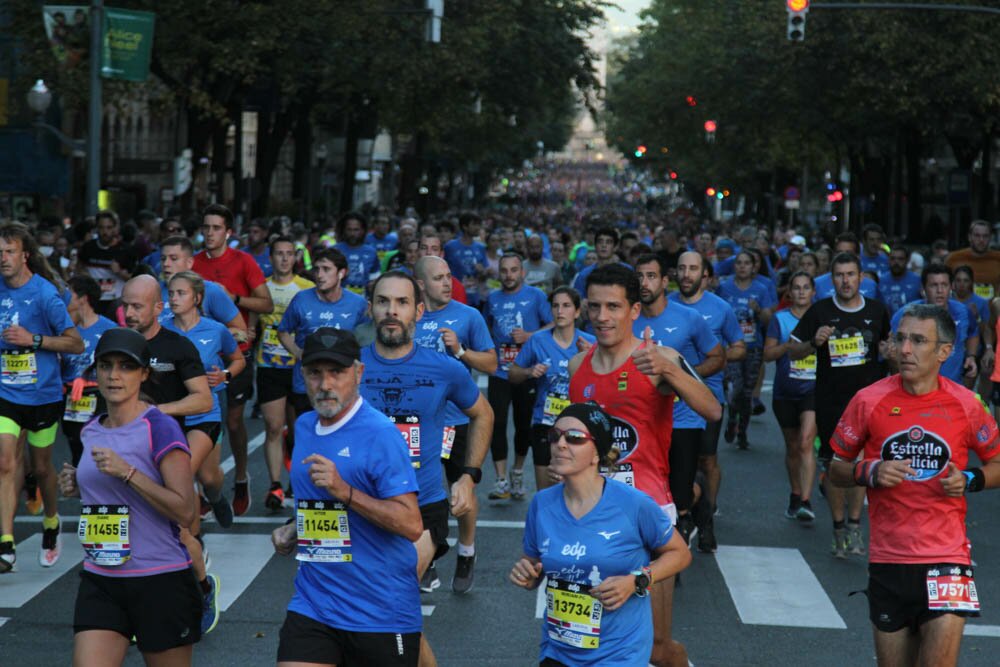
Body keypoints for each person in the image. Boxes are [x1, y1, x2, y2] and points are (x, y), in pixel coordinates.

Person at [829, 303, 1000, 667]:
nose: (905, 349)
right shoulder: (868, 400)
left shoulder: (968, 404)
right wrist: (870, 472)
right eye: (901, 338)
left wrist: (971, 479)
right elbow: (835, 469)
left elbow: (997, 462)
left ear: (944, 352)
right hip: (889, 560)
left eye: (918, 340)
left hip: (948, 557)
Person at [568, 264, 720, 667]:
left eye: (613, 307)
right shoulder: (575, 368)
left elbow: (712, 409)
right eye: (595, 307)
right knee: (590, 636)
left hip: (646, 514)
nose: (602, 317)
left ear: (634, 309)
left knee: (656, 646)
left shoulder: (659, 357)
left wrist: (669, 369)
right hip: (591, 515)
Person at [360, 272, 494, 664]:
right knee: (386, 614)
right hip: (361, 506)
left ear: (418, 311)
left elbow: (483, 414)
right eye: (383, 301)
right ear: (370, 308)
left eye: (401, 303)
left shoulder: (445, 368)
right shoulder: (351, 367)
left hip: (422, 508)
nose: (391, 311)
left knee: (390, 595)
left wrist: (469, 476)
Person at [270, 328, 424, 667]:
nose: (325, 384)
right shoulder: (306, 426)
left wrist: (345, 491)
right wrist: (293, 529)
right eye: (314, 373)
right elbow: (320, 506)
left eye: (336, 372)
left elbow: (412, 524)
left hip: (379, 610)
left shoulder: (381, 434)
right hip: (314, 603)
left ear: (358, 373)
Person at [58, 327, 201, 665]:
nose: (114, 375)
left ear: (144, 374)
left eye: (126, 366)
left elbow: (186, 512)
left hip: (159, 578)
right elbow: (104, 495)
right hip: (101, 578)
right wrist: (77, 483)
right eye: (106, 366)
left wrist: (128, 473)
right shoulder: (91, 429)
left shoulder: (160, 426)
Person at [509, 402, 691, 667]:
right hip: (559, 649)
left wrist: (636, 580)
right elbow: (534, 563)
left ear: (597, 454)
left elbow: (680, 553)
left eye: (574, 438)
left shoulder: (633, 504)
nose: (560, 444)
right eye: (554, 436)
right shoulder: (542, 504)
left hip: (619, 652)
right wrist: (528, 575)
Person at [788, 252, 891, 558]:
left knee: (860, 463)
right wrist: (813, 343)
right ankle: (837, 527)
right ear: (831, 280)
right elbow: (793, 351)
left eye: (850, 274)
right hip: (831, 401)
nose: (845, 281)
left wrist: (889, 351)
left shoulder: (877, 310)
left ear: (861, 278)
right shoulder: (820, 311)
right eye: (839, 275)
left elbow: (890, 349)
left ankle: (855, 525)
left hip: (869, 402)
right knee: (836, 466)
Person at [0, 222, 84, 572]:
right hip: (6, 391)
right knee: (5, 461)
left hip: (43, 393)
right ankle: (5, 542)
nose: (2, 259)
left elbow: (75, 342)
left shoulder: (45, 294)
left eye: (9, 252)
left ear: (26, 255)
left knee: (41, 466)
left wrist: (33, 340)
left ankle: (51, 519)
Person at [412, 255, 497, 593]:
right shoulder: (410, 316)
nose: (447, 283)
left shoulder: (468, 315)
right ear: (421, 285)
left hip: (459, 421)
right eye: (438, 278)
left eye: (449, 276)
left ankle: (466, 549)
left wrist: (461, 352)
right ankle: (427, 560)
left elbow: (491, 363)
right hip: (419, 424)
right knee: (418, 492)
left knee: (462, 490)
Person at [633, 253, 723, 543]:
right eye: (639, 276)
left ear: (664, 281)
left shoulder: (689, 318)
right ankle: (664, 546)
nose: (644, 283)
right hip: (644, 421)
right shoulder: (626, 320)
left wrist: (679, 378)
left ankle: (699, 503)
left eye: (651, 276)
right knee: (647, 488)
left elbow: (717, 357)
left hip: (683, 418)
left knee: (680, 491)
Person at [192, 204, 273, 516]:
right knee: (197, 421)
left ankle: (240, 476)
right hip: (199, 357)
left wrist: (233, 298)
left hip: (234, 352)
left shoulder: (243, 261)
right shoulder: (193, 264)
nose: (210, 233)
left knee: (234, 421)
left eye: (216, 228)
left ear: (228, 232)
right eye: (206, 227)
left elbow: (265, 304)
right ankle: (200, 486)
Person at [670, 250, 745, 552]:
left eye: (693, 269)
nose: (686, 274)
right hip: (670, 398)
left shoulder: (720, 308)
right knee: (672, 463)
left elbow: (738, 346)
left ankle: (707, 516)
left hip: (707, 396)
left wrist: (715, 360)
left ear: (706, 276)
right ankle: (682, 514)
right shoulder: (666, 305)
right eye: (682, 268)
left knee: (706, 459)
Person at [250, 237, 314, 510]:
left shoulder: (307, 287)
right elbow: (252, 323)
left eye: (289, 254)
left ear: (295, 257)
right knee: (274, 428)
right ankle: (275, 486)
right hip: (269, 366)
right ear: (271, 257)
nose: (285, 259)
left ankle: (296, 483)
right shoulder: (261, 288)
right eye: (279, 254)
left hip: (299, 369)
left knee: (299, 432)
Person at [509, 286, 595, 491]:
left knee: (576, 488)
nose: (560, 311)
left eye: (566, 306)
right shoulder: (538, 340)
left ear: (576, 312)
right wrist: (529, 372)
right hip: (545, 422)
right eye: (555, 306)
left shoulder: (589, 342)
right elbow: (513, 374)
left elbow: (602, 383)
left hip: (578, 424)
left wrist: (588, 359)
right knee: (545, 491)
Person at [485, 253, 553, 500]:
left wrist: (529, 336)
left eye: (514, 270)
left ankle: (516, 472)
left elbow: (553, 324)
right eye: (504, 270)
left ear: (522, 272)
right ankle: (501, 479)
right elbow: (486, 328)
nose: (509, 275)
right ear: (498, 272)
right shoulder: (492, 298)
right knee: (497, 423)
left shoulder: (536, 296)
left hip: (526, 372)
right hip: (500, 372)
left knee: (524, 426)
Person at [277, 248, 369, 423]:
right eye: (316, 269)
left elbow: (364, 342)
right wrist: (299, 353)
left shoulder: (357, 304)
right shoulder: (301, 299)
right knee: (307, 434)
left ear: (341, 273)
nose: (319, 275)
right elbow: (283, 332)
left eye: (326, 269)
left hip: (343, 385)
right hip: (306, 385)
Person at [763, 271, 818, 521]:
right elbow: (768, 354)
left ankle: (806, 501)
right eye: (796, 288)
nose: (801, 292)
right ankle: (795, 494)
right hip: (785, 391)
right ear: (790, 292)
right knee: (793, 446)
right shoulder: (780, 319)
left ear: (813, 292)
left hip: (813, 390)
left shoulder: (821, 318)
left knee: (807, 442)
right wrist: (788, 346)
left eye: (806, 287)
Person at [716, 250, 774, 449]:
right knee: (736, 387)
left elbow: (768, 319)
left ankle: (743, 431)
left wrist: (759, 310)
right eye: (739, 263)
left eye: (746, 263)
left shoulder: (761, 289)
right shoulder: (724, 288)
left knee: (748, 392)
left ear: (753, 267)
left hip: (753, 347)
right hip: (731, 347)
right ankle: (732, 417)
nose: (742, 266)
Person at [889, 265, 978, 388]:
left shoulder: (963, 311)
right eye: (934, 285)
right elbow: (893, 346)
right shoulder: (905, 314)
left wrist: (971, 356)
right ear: (923, 289)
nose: (940, 290)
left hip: (953, 386)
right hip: (916, 388)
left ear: (951, 287)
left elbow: (973, 333)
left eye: (944, 285)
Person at [61, 276, 117, 466]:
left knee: (97, 450)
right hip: (70, 400)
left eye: (70, 292)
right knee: (76, 449)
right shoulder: (65, 330)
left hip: (99, 397)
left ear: (83, 298)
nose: (64, 296)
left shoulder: (110, 329)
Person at [77, 210, 137, 318]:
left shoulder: (126, 250)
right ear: (96, 228)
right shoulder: (88, 247)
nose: (105, 232)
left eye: (109, 228)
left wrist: (119, 272)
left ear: (115, 228)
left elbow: (134, 279)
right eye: (101, 227)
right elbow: (79, 268)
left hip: (116, 301)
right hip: (93, 300)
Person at [945, 219, 1000, 299]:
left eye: (985, 236)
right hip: (962, 309)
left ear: (990, 238)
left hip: (994, 309)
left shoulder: (997, 258)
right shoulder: (953, 258)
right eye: (977, 235)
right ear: (969, 237)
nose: (981, 240)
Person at [443, 212, 487, 308]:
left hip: (475, 298)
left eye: (479, 224)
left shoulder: (481, 247)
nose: (478, 227)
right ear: (465, 226)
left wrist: (482, 271)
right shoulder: (450, 246)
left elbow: (484, 275)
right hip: (454, 296)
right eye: (474, 224)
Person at [333, 211, 381, 295]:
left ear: (363, 230)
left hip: (363, 303)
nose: (352, 234)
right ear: (344, 230)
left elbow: (374, 279)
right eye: (349, 229)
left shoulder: (371, 252)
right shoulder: (334, 250)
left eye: (356, 230)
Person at [877, 246, 922, 316]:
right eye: (893, 259)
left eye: (900, 259)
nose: (896, 262)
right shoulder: (880, 280)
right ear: (888, 260)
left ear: (907, 260)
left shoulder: (918, 280)